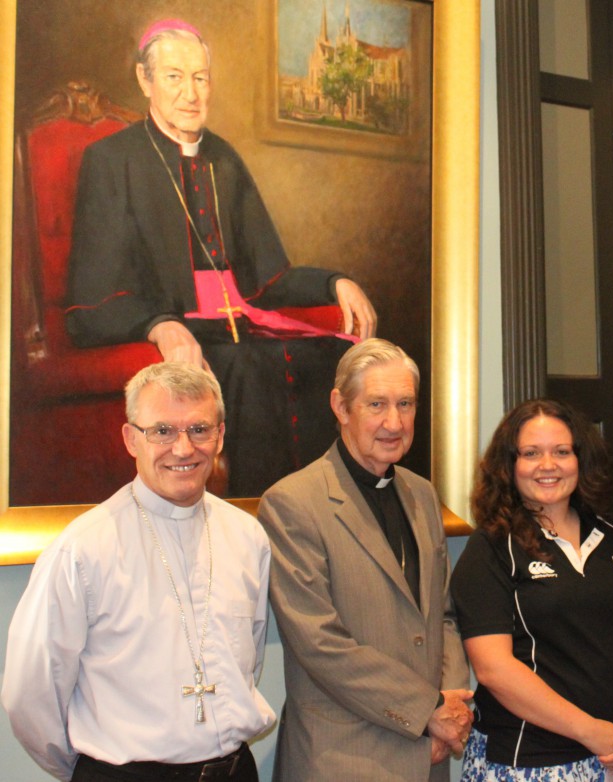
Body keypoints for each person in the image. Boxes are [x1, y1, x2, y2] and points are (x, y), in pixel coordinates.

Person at [65, 18, 378, 496]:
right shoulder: (111, 160)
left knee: (335, 360)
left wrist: (335, 282)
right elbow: (91, 300)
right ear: (145, 80)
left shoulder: (224, 159)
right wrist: (160, 325)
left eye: (200, 78)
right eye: (174, 77)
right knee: (246, 368)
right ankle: (255, 513)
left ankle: (325, 510)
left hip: (243, 323)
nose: (190, 93)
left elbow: (269, 277)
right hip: (182, 330)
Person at [2, 362, 276, 782]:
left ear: (220, 436)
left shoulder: (247, 536)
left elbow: (248, 660)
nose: (183, 449)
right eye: (162, 431)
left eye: (199, 429)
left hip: (234, 771)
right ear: (131, 438)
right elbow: (31, 693)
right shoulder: (84, 548)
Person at [257, 338, 472, 781]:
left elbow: (444, 615)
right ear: (341, 406)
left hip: (428, 753)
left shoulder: (422, 494)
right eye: (376, 404)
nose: (394, 422)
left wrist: (452, 701)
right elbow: (320, 643)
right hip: (343, 758)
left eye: (406, 404)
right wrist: (429, 709)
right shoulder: (293, 502)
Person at [450, 399, 613, 780]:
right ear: (509, 465)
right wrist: (587, 730)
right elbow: (493, 669)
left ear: (581, 460)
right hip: (525, 763)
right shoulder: (492, 548)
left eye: (562, 452)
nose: (548, 465)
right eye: (531, 453)